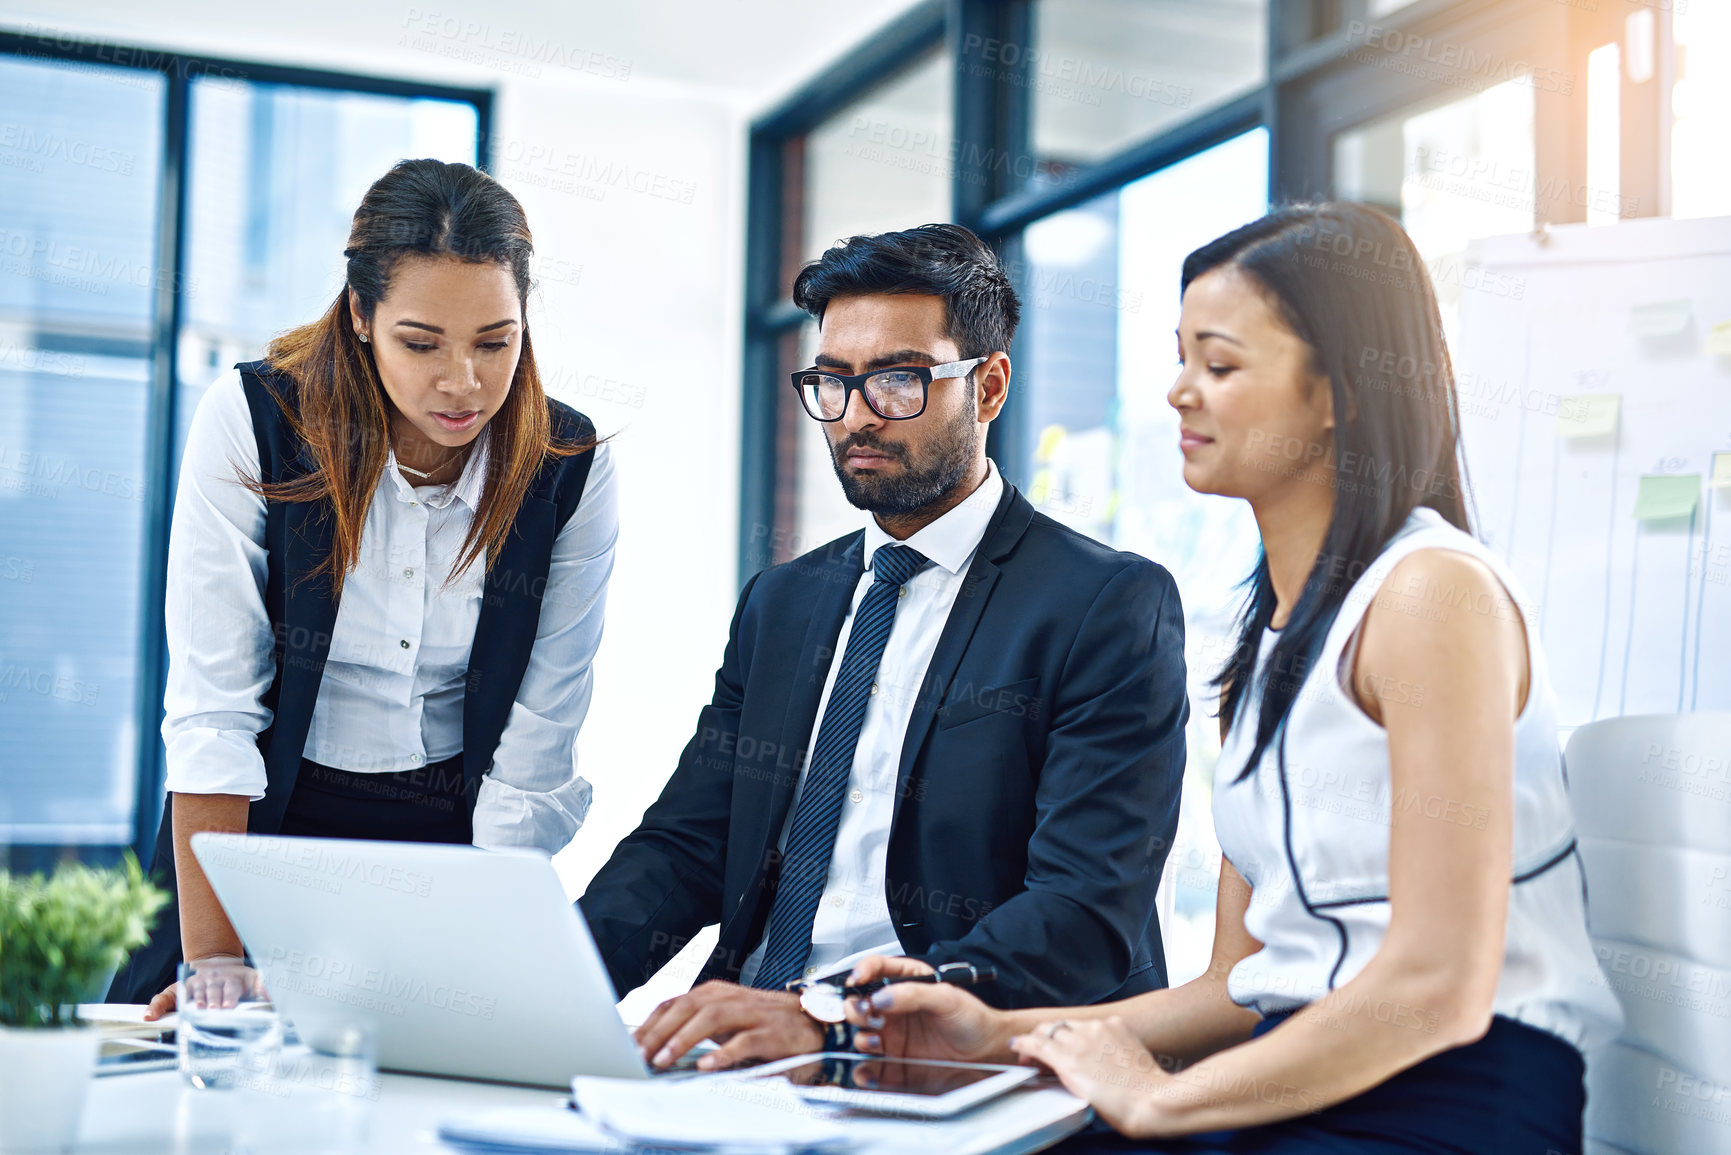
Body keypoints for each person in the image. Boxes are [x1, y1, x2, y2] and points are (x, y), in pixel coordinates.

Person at [840, 203, 1623, 1152]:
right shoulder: (1264, 643)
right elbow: (1233, 984)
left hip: (1452, 1094)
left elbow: (1435, 984)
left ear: (1339, 389)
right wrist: (999, 1034)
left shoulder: (1428, 597)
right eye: (1180, 358)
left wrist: (1161, 1099)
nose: (1178, 392)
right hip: (1301, 1072)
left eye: (1219, 364)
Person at [579, 223, 1189, 1072]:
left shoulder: (1103, 602)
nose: (856, 416)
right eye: (831, 381)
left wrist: (833, 1017)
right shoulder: (782, 600)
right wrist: (547, 985)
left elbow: (1084, 910)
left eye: (898, 380)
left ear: (989, 386)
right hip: (753, 1042)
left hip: (958, 1058)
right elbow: (688, 845)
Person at [109, 159, 618, 1014]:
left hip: (448, 851)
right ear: (359, 316)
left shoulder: (567, 464)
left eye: (496, 341)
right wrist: (215, 966)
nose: (463, 383)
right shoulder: (258, 420)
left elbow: (534, 747)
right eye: (421, 343)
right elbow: (214, 711)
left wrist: (479, 953)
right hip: (254, 835)